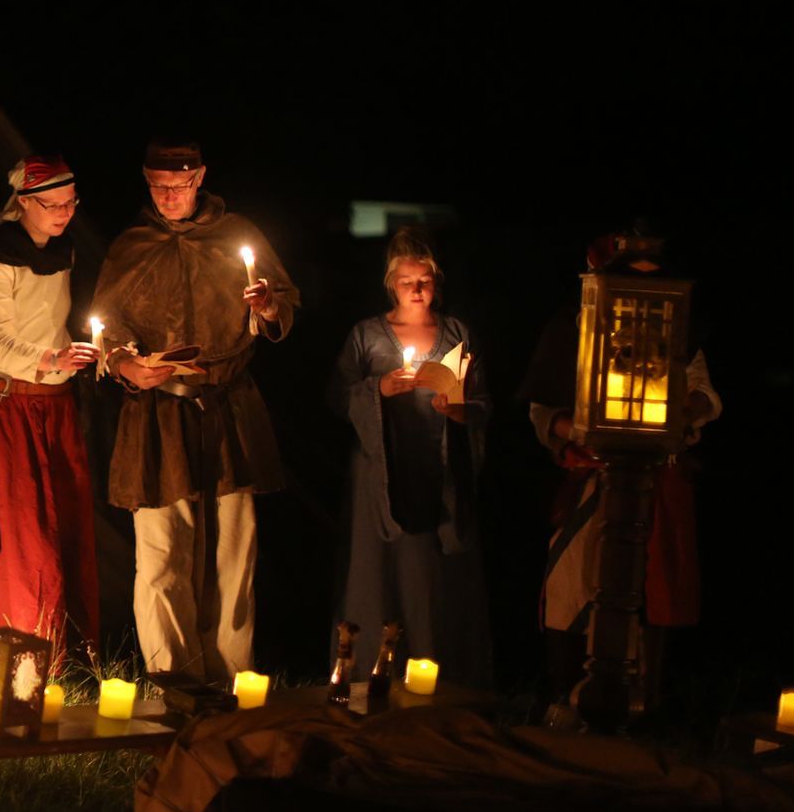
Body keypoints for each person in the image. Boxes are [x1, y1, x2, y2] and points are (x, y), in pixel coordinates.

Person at [90, 139, 299, 682]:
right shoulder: (132, 245)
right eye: (159, 187)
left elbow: (281, 305)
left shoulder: (236, 235)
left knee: (232, 553)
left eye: (180, 186)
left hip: (227, 411)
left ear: (200, 177)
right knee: (162, 557)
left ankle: (230, 679)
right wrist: (124, 364)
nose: (169, 196)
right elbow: (106, 329)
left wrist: (268, 306)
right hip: (158, 416)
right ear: (146, 182)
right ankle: (175, 682)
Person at [518, 230, 721, 716]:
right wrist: (576, 430)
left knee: (651, 590)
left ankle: (639, 705)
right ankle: (567, 699)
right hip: (590, 477)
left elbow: (703, 394)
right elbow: (542, 410)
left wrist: (675, 415)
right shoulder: (572, 327)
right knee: (573, 588)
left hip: (655, 481)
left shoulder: (671, 321)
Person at [327, 228, 492, 687]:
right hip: (381, 475)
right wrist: (378, 389)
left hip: (439, 471)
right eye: (407, 282)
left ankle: (436, 676)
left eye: (425, 281)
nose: (417, 290)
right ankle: (368, 676)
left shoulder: (456, 334)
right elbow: (338, 397)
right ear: (391, 284)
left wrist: (458, 410)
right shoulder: (366, 336)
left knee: (431, 578)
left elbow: (481, 401)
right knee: (378, 571)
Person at [0, 156, 101, 656]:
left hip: (53, 406)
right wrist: (49, 359)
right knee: (21, 537)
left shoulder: (62, 251)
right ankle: (20, 655)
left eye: (70, 203)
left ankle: (69, 652)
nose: (64, 213)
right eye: (52, 205)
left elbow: (52, 324)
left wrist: (75, 357)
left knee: (63, 528)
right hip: (7, 406)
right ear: (24, 202)